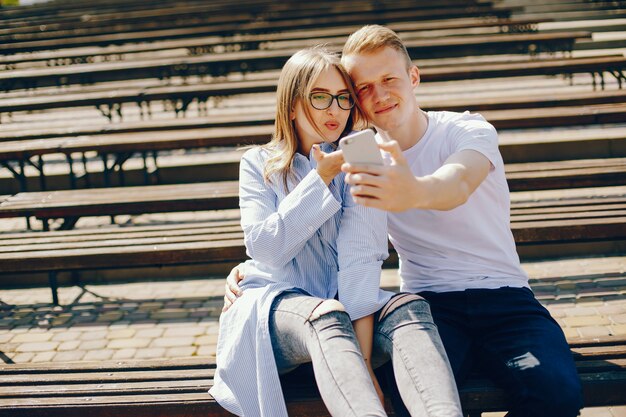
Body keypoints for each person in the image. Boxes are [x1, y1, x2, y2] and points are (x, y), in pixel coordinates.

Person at [224, 26, 584, 417]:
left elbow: (458, 183)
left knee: (555, 395)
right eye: (362, 89)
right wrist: (250, 269)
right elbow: (304, 246)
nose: (377, 96)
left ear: (413, 77)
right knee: (410, 393)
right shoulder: (361, 158)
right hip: (433, 306)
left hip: (504, 298)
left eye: (388, 80)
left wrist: (412, 190)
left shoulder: (467, 130)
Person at [211, 46, 462, 417]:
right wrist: (321, 177)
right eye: (320, 96)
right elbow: (265, 248)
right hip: (274, 309)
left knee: (408, 307)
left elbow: (361, 257)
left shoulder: (362, 156)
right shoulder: (258, 163)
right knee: (326, 314)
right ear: (292, 104)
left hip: (343, 311)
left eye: (344, 98)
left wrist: (361, 358)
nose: (335, 109)